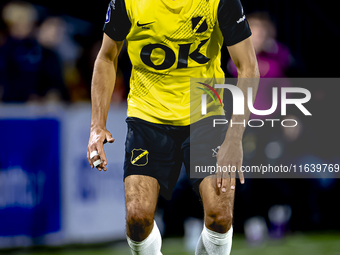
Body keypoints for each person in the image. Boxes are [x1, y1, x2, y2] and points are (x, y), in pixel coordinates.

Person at [87, 0, 259, 254]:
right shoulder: (129, 2)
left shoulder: (220, 2)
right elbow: (106, 57)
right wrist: (97, 125)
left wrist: (234, 139)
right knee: (137, 219)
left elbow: (248, 67)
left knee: (220, 217)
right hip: (148, 117)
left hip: (206, 116)